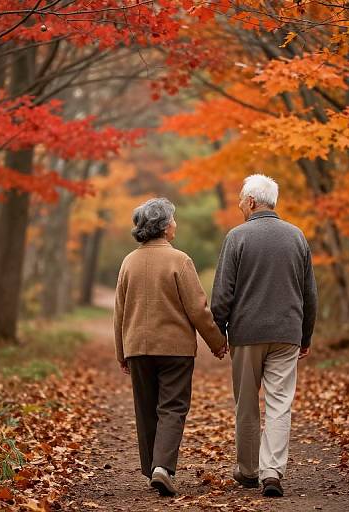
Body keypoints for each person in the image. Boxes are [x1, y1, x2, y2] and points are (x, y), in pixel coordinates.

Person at [211, 174, 318, 498]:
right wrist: (305, 336)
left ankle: (248, 470)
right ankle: (272, 472)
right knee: (279, 403)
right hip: (287, 333)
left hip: (246, 334)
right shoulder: (297, 236)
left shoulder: (237, 237)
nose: (241, 205)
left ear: (252, 202)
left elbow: (222, 294)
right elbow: (309, 293)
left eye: (243, 200)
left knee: (247, 404)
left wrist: (219, 332)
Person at [114, 197, 228, 497]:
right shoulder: (180, 260)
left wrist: (121, 352)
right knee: (173, 407)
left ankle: (153, 466)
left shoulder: (129, 262)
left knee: (146, 408)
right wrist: (217, 342)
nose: (175, 224)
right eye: (173, 219)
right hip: (175, 349)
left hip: (137, 346)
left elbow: (120, 311)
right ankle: (162, 467)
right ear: (164, 226)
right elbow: (199, 309)